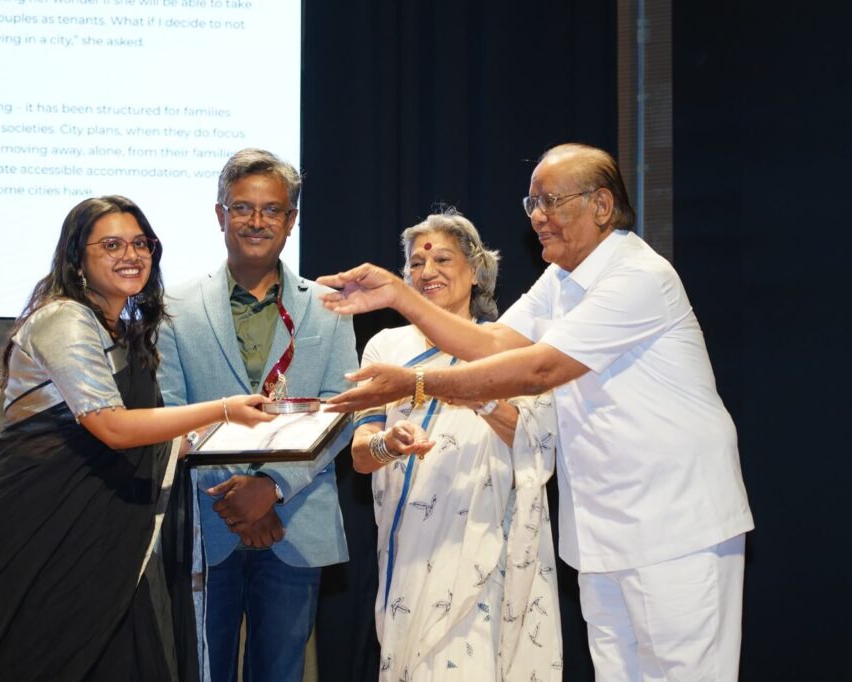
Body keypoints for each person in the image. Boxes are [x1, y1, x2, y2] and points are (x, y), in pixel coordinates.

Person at [318, 143, 754, 681]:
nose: (537, 217)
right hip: (602, 531)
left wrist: (419, 383)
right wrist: (397, 295)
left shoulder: (638, 275)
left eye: (550, 201)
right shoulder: (562, 280)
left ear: (600, 205)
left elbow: (539, 370)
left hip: (675, 524)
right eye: (532, 203)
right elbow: (492, 343)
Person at [0, 195, 273, 681]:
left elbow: (148, 435)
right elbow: (110, 427)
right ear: (77, 258)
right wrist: (223, 409)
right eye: (111, 245)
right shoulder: (64, 319)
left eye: (141, 244)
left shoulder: (127, 332)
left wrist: (211, 439)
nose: (131, 255)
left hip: (109, 536)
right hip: (42, 524)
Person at [156, 148, 358, 682]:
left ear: (291, 221)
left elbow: (342, 414)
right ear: (220, 214)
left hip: (297, 517)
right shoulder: (174, 307)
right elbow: (170, 414)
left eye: (272, 210)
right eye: (242, 208)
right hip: (208, 518)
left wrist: (271, 488)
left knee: (281, 672)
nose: (256, 221)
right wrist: (238, 498)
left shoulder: (330, 307)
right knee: (202, 670)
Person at [351, 209, 562, 680]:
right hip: (410, 548)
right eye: (416, 264)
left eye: (443, 260)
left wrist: (476, 395)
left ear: (476, 271)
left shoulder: (510, 349)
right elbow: (361, 456)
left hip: (486, 538)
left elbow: (536, 441)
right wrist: (389, 443)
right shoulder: (384, 347)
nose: (428, 272)